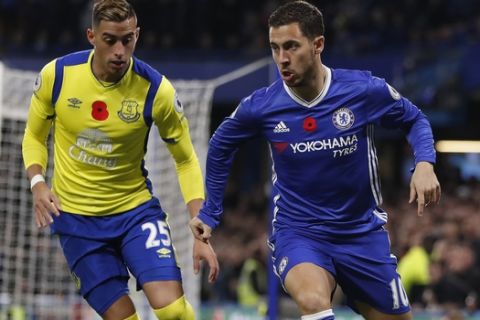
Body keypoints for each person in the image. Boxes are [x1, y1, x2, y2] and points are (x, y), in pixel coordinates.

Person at [189, 1, 441, 319]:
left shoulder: (361, 90)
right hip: (299, 232)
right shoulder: (263, 106)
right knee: (312, 301)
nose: (282, 58)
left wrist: (424, 163)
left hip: (361, 234)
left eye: (291, 46)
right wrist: (210, 212)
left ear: (318, 44)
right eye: (275, 48)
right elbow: (221, 144)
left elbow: (414, 119)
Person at [22, 1, 219, 319]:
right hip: (76, 221)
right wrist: (37, 182)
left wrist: (200, 226)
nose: (119, 50)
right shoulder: (57, 76)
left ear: (137, 36)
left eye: (127, 39)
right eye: (110, 39)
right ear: (91, 36)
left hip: (134, 213)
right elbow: (33, 136)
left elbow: (185, 160)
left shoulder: (157, 91)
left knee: (173, 312)